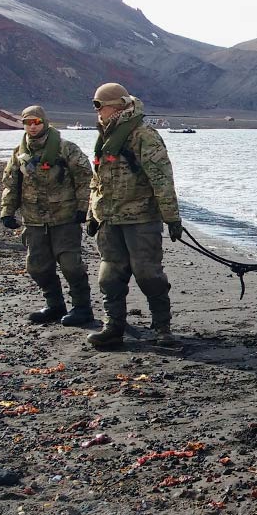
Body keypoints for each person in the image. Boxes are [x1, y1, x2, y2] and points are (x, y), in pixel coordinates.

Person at [85, 83, 183, 349]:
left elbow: (162, 180)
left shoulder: (143, 136)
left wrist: (171, 218)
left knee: (149, 275)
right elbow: (98, 180)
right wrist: (92, 214)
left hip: (140, 219)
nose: (97, 111)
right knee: (109, 277)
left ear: (116, 106)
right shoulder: (104, 137)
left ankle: (163, 329)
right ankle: (113, 327)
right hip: (109, 219)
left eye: (99, 105)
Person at [0, 106, 95, 326]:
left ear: (44, 122)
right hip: (33, 220)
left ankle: (82, 308)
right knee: (37, 266)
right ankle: (54, 305)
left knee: (71, 265)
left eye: (36, 122)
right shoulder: (19, 154)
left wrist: (83, 209)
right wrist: (7, 211)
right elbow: (10, 185)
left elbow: (84, 178)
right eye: (28, 123)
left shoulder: (65, 149)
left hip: (65, 218)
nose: (32, 127)